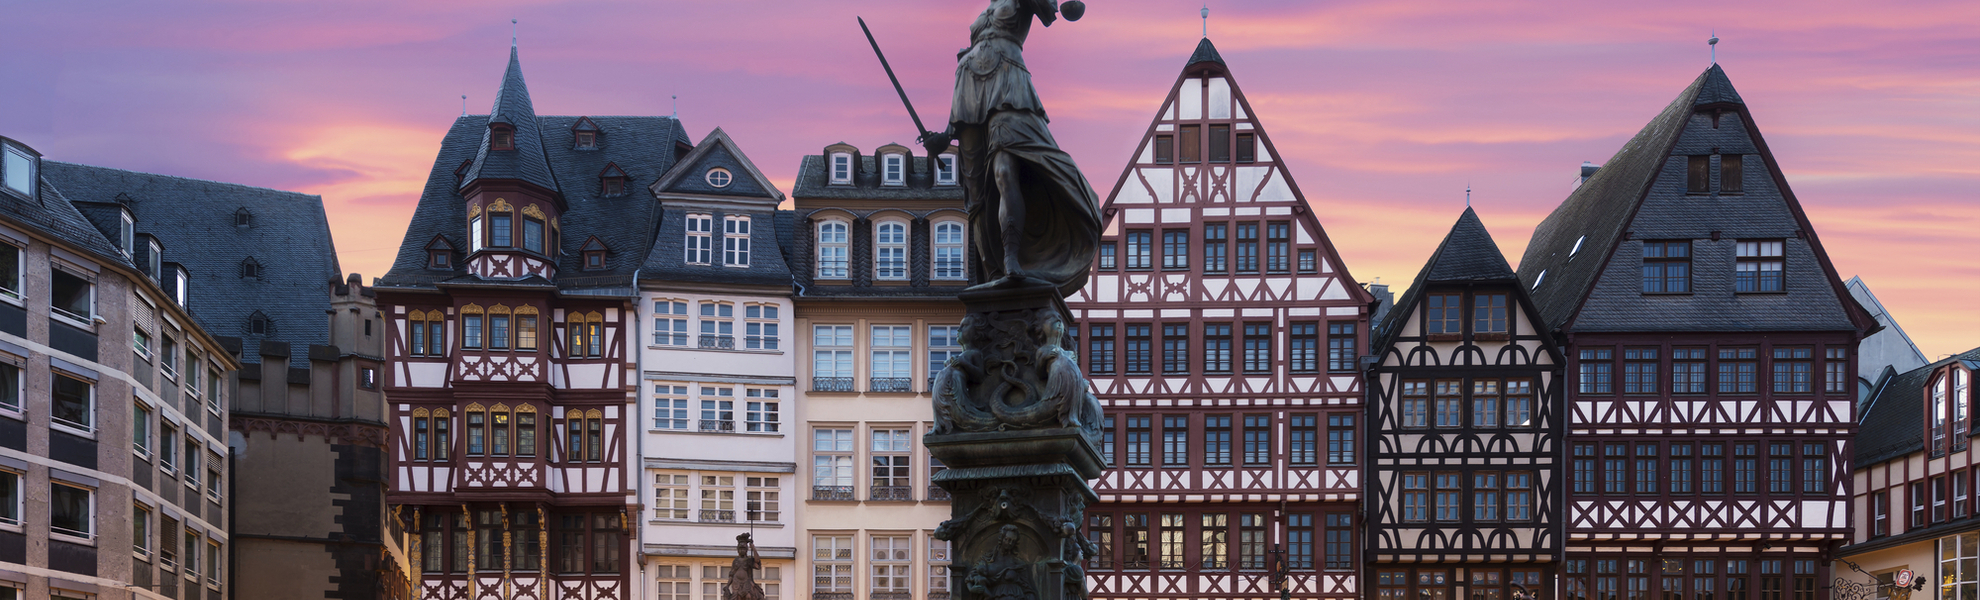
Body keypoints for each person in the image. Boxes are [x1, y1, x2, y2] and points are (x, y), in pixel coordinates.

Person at [922, 0, 1100, 295]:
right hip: (968, 87)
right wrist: (945, 135)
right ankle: (992, 271)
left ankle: (1011, 258)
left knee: (1005, 169)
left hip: (1009, 82)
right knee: (977, 193)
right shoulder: (987, 8)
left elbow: (1048, 13)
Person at [724, 533, 764, 600]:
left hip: (747, 583)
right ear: (738, 550)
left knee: (750, 596)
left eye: (744, 549)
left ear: (746, 550)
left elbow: (757, 561)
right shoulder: (736, 561)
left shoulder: (749, 560)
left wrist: (753, 548)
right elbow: (732, 574)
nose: (742, 551)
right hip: (736, 583)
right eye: (740, 549)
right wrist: (727, 585)